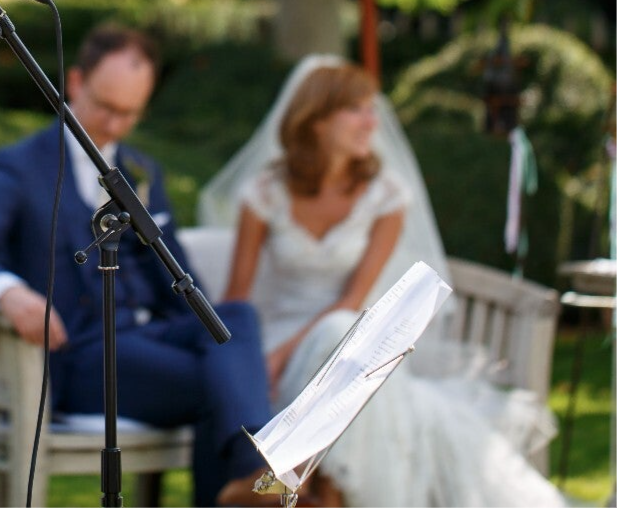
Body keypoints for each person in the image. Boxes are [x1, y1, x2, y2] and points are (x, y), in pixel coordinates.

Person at [0, 25, 274, 508]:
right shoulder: (21, 167)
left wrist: (221, 348)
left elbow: (180, 277)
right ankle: (255, 471)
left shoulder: (142, 172)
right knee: (222, 385)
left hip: (152, 336)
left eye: (129, 113)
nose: (114, 125)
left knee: (236, 319)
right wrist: (9, 290)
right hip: (82, 357)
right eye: (105, 107)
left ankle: (250, 472)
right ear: (75, 83)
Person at [210, 56, 565, 508]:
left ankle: (294, 482)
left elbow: (352, 299)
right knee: (354, 364)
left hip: (352, 341)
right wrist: (261, 360)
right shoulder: (265, 192)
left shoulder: (386, 195)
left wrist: (281, 356)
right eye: (356, 110)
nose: (371, 123)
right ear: (316, 120)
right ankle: (314, 489)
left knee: (343, 336)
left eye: (372, 110)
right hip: (287, 338)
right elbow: (237, 299)